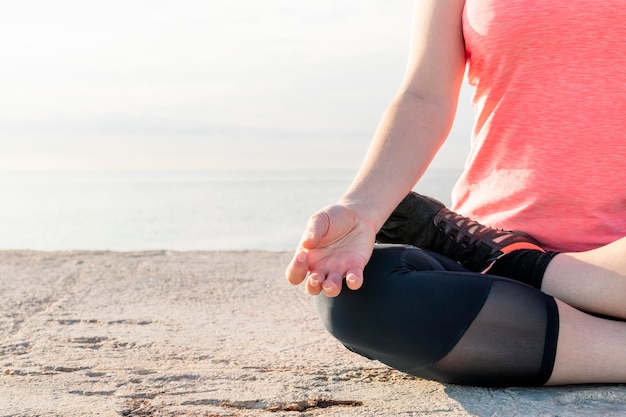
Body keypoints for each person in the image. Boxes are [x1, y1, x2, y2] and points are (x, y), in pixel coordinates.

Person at [285, 0, 626, 387]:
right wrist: (362, 209)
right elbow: (425, 96)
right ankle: (515, 266)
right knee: (357, 293)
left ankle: (515, 263)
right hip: (496, 291)